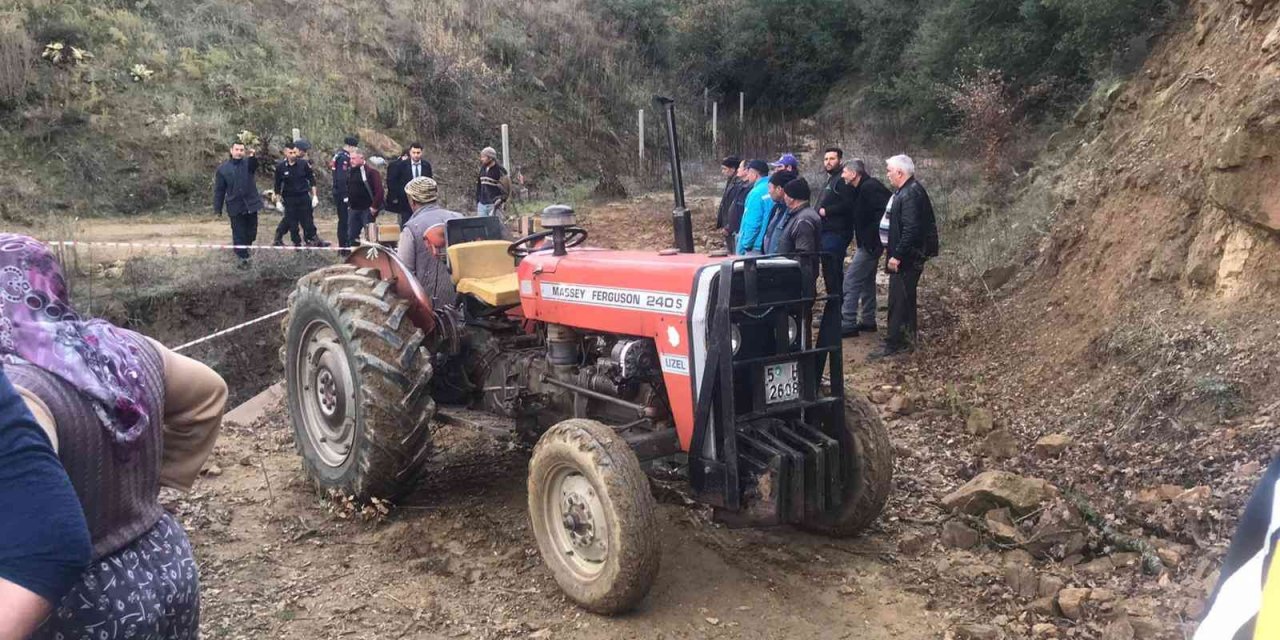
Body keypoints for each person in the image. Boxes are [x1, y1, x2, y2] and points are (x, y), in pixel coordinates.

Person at [0, 233, 228, 639]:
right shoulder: (119, 346)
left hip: (81, 605)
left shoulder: (17, 390)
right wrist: (147, 486)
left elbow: (37, 518)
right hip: (165, 559)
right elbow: (209, 392)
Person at [0, 368, 92, 639]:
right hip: (159, 551)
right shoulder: (111, 349)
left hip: (86, 591)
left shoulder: (26, 386)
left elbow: (51, 537)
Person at [870, 154, 939, 360]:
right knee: (903, 299)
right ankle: (905, 341)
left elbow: (911, 229)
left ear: (900, 173)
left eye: (890, 171)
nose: (887, 174)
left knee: (899, 300)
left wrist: (897, 255)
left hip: (907, 258)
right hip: (907, 255)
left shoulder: (910, 194)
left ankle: (895, 345)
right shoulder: (907, 190)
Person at [840, 159, 893, 336]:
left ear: (854, 174)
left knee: (851, 280)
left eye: (845, 172)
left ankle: (848, 322)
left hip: (871, 244)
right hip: (868, 243)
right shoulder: (859, 188)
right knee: (867, 281)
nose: (842, 175)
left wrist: (873, 237)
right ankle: (869, 320)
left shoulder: (870, 187)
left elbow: (885, 212)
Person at [398, 177, 465, 307]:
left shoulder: (411, 229)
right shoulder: (459, 218)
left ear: (412, 200)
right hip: (462, 302)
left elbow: (405, 273)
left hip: (430, 307)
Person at [213, 140, 263, 265]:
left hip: (251, 205)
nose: (239, 152)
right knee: (239, 234)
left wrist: (252, 156)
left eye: (242, 150)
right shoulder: (223, 169)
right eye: (237, 150)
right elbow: (219, 190)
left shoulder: (248, 164)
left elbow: (254, 165)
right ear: (231, 151)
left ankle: (246, 250)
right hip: (235, 206)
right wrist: (217, 209)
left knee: (251, 233)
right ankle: (243, 260)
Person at [817, 147, 857, 303]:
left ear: (840, 160)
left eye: (832, 159)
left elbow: (849, 204)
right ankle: (834, 309)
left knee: (833, 273)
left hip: (837, 233)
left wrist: (827, 211)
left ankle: (838, 311)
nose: (828, 162)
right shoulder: (831, 179)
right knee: (828, 272)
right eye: (826, 159)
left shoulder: (842, 179)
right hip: (827, 233)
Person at [273, 142, 329, 248]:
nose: (293, 155)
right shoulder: (280, 167)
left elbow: (312, 180)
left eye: (295, 152)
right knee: (292, 223)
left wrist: (315, 196)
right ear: (285, 153)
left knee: (308, 221)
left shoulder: (303, 164)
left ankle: (312, 240)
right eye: (291, 152)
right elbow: (277, 186)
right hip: (289, 199)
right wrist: (278, 201)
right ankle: (296, 244)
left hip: (303, 197)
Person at [387, 143, 434, 228]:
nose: (416, 155)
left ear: (421, 153)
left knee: (422, 224)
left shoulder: (426, 165)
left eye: (418, 153)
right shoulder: (401, 165)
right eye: (414, 152)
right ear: (410, 152)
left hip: (422, 200)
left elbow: (429, 181)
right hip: (406, 201)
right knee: (406, 224)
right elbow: (395, 182)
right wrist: (397, 196)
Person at [346, 150, 385, 244]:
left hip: (367, 210)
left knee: (371, 237)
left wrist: (374, 207)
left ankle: (371, 257)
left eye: (354, 158)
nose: (351, 161)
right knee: (352, 236)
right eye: (350, 158)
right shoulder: (350, 171)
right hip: (353, 209)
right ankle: (355, 256)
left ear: (362, 158)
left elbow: (380, 191)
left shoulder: (371, 172)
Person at [735, 160, 773, 255]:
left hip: (755, 246)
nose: (747, 176)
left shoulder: (756, 193)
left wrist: (745, 245)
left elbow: (753, 222)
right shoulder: (771, 188)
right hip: (768, 243)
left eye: (749, 173)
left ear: (755, 174)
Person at [330, 135, 359, 248]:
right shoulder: (344, 158)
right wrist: (345, 195)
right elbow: (342, 178)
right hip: (342, 193)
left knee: (344, 219)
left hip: (340, 192)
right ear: (350, 147)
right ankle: (344, 246)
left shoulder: (339, 155)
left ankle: (345, 244)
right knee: (344, 220)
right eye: (355, 148)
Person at [759, 170, 798, 253]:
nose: (769, 191)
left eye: (770, 187)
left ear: (779, 189)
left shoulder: (792, 211)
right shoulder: (777, 208)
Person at [715, 155, 744, 247]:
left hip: (733, 227)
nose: (722, 172)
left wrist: (728, 227)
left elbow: (736, 208)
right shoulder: (731, 181)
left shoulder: (739, 184)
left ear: (732, 169)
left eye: (724, 169)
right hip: (729, 225)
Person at [475, 147, 511, 217]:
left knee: (495, 226)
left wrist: (500, 200)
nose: (481, 159)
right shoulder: (482, 168)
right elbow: (479, 185)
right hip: (482, 205)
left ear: (490, 158)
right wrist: (478, 200)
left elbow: (507, 189)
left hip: (494, 205)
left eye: (484, 157)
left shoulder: (500, 170)